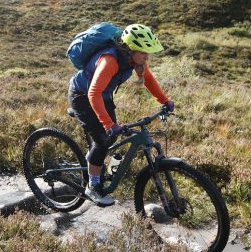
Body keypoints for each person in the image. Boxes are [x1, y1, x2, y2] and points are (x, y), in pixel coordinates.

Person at [68, 23, 174, 206]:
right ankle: (92, 186)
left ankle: (92, 159)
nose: (146, 56)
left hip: (104, 95)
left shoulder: (135, 61)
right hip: (82, 95)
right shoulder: (110, 60)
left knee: (109, 139)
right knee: (103, 139)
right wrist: (109, 125)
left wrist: (164, 100)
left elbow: (148, 80)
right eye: (143, 52)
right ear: (130, 48)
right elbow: (93, 93)